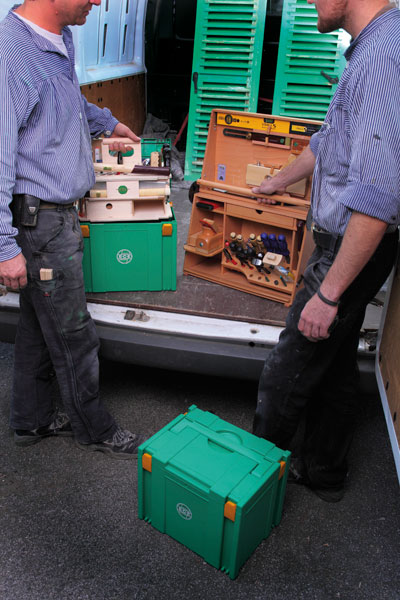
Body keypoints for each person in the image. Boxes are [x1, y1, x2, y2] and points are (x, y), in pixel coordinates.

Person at [252, 0, 400, 501]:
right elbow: (328, 140)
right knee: (334, 364)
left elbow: (378, 198)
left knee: (287, 369)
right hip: (350, 245)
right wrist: (277, 181)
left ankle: (249, 489)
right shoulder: (365, 50)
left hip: (351, 251)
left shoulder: (385, 53)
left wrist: (330, 293)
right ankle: (324, 471)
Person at [0, 0, 147, 458]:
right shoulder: (10, 56)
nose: (98, 1)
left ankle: (32, 419)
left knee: (35, 326)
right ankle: (95, 428)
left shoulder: (57, 40)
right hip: (40, 220)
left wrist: (108, 122)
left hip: (52, 216)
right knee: (74, 332)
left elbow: (66, 102)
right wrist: (3, 246)